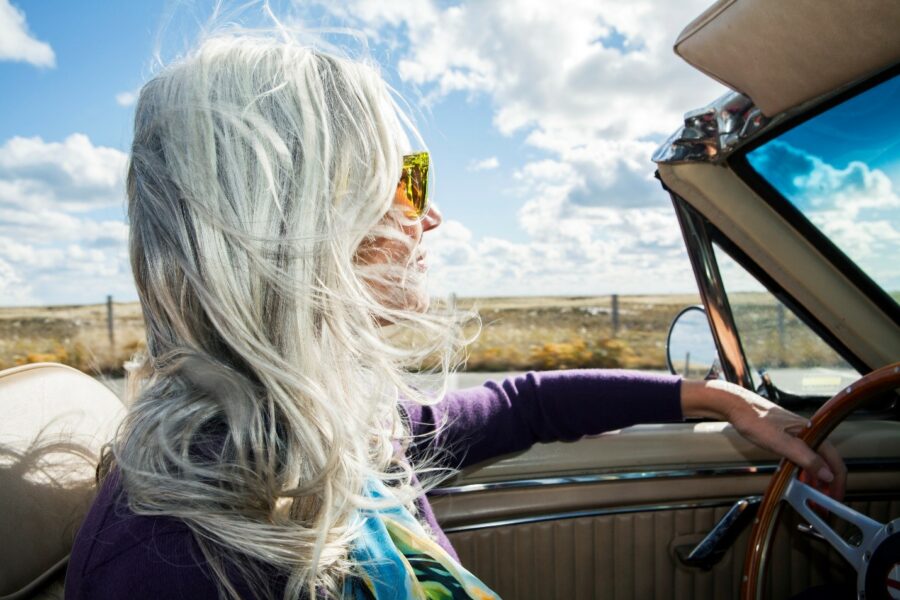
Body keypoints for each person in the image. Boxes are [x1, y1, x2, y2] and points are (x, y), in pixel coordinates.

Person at [64, 29, 846, 600]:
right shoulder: (166, 562)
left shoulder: (329, 431)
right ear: (298, 221)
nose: (428, 215)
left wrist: (709, 397)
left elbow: (523, 403)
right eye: (401, 181)